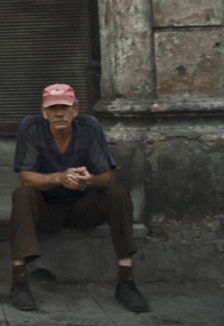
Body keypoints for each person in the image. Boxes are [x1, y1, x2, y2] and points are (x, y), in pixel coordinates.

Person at [9, 83, 148, 313]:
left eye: (65, 107)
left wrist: (89, 180)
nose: (59, 113)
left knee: (118, 194)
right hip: (47, 211)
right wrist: (58, 178)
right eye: (53, 109)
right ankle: (20, 281)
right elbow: (25, 177)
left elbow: (107, 176)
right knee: (22, 195)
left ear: (75, 109)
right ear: (44, 113)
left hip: (83, 208)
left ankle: (126, 280)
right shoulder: (31, 127)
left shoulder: (89, 127)